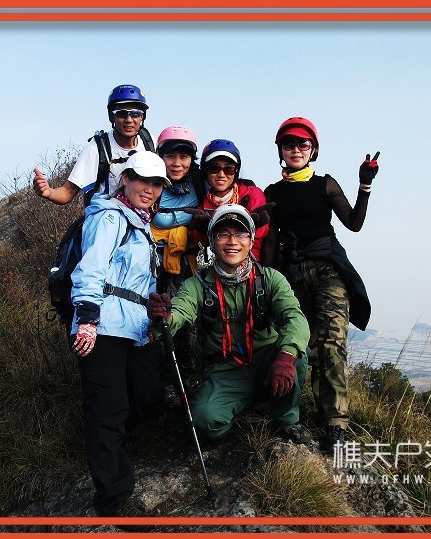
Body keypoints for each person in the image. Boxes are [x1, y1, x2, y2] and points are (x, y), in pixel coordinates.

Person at [261, 116, 379, 453]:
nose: (296, 149)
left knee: (331, 342)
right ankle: (301, 411)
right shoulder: (273, 193)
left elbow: (353, 222)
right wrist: (264, 281)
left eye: (303, 144)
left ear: (313, 150)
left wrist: (364, 185)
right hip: (293, 273)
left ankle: (335, 424)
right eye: (289, 144)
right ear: (281, 151)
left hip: (328, 270)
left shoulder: (325, 184)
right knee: (303, 344)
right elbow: (271, 241)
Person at [147, 204, 311, 444]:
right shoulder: (198, 284)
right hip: (225, 370)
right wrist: (165, 316)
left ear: (251, 240)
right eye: (223, 234)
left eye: (240, 233)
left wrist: (286, 357)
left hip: (267, 362)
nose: (232, 241)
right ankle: (240, 406)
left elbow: (294, 317)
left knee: (296, 354)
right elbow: (181, 310)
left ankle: (286, 419)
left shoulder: (270, 279)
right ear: (212, 242)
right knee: (204, 421)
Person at [70, 151, 169, 517]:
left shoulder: (141, 223)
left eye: (157, 184)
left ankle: (108, 446)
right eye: (142, 180)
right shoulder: (109, 216)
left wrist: (153, 305)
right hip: (103, 326)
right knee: (107, 409)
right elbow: (91, 268)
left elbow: (136, 280)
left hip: (134, 329)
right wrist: (87, 317)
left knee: (148, 396)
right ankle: (114, 497)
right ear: (125, 179)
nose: (150, 189)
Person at [32, 83, 154, 205]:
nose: (129, 120)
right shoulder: (97, 149)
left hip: (144, 214)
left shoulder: (150, 143)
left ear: (142, 117)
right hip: (108, 214)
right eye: (121, 114)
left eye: (135, 114)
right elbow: (67, 192)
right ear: (112, 116)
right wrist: (48, 192)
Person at [186, 139, 272, 261]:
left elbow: (262, 231)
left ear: (236, 172)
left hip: (252, 266)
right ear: (205, 171)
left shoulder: (251, 194)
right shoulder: (202, 206)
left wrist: (254, 224)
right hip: (219, 267)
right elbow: (203, 241)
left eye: (228, 169)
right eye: (214, 168)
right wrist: (201, 230)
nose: (221, 174)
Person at [149, 125, 207, 295]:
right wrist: (189, 218)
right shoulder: (150, 180)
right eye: (170, 156)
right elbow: (151, 217)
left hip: (187, 261)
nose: (177, 164)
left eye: (184, 157)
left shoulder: (199, 181)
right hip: (151, 260)